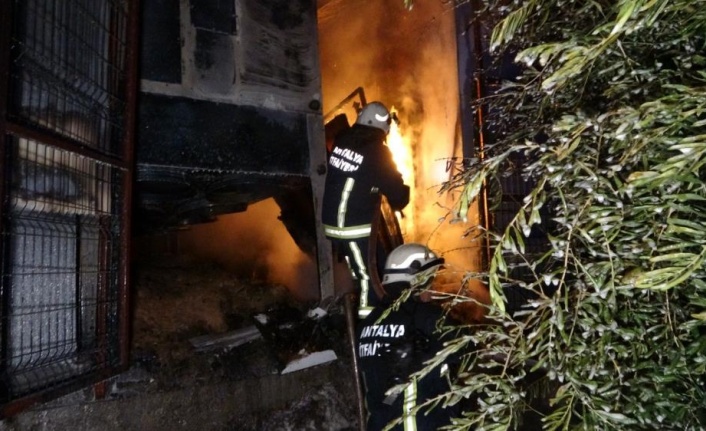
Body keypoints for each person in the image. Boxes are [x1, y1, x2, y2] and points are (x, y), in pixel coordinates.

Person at [356, 243, 462, 431]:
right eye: (430, 281)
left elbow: (383, 390)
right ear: (417, 279)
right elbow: (470, 349)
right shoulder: (427, 317)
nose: (432, 290)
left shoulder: (368, 324)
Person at [322, 101, 410, 319]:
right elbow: (397, 193)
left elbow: (357, 175)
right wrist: (400, 192)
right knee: (367, 278)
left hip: (335, 222)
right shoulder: (377, 152)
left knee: (378, 265)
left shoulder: (343, 140)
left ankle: (386, 309)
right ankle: (369, 324)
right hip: (352, 227)